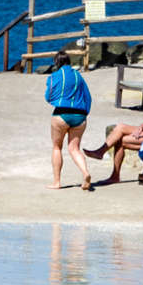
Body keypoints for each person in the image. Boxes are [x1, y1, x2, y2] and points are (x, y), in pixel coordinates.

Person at [43, 50, 94, 191]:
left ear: (56, 63)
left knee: (57, 147)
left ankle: (57, 182)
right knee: (74, 148)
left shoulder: (54, 77)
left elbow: (48, 97)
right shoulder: (78, 76)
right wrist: (84, 113)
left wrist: (59, 101)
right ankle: (85, 173)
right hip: (80, 116)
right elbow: (88, 97)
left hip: (61, 114)